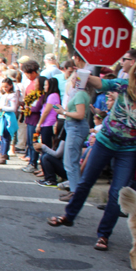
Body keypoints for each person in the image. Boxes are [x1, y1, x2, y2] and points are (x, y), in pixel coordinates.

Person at [48, 53, 136, 251]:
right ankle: (68, 216)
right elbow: (102, 84)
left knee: (117, 193)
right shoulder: (125, 86)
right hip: (104, 142)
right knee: (85, 182)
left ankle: (103, 235)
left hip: (129, 149)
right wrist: (82, 75)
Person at [57, 73, 90, 202]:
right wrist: (63, 111)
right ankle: (74, 190)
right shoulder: (77, 93)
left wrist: (63, 112)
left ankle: (75, 192)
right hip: (73, 126)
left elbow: (80, 114)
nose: (72, 80)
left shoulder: (80, 94)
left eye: (75, 78)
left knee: (71, 161)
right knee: (70, 161)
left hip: (76, 127)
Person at [0, 78, 19, 164]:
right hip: (1, 116)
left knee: (5, 136)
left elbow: (13, 108)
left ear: (11, 86)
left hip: (8, 117)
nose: (5, 88)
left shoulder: (12, 95)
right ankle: (2, 152)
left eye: (6, 86)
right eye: (3, 87)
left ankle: (3, 154)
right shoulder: (3, 95)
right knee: (2, 136)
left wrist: (2, 108)